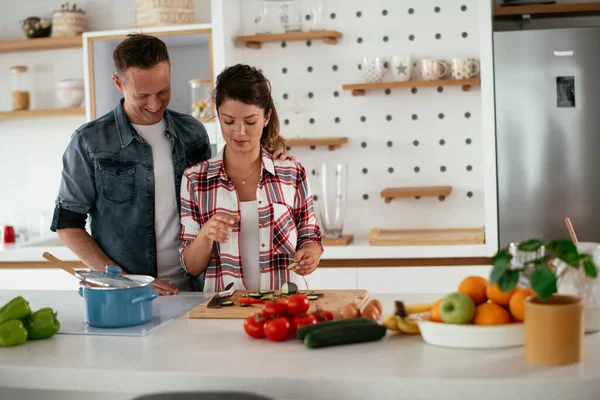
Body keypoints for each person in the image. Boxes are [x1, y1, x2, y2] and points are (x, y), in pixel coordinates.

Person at [50, 35, 291, 295]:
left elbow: (221, 178)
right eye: (142, 95)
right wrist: (126, 281)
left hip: (194, 290)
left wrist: (271, 155)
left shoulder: (192, 133)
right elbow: (67, 224)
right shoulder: (89, 142)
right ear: (118, 84)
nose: (155, 104)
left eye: (163, 91)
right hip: (125, 294)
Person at [179, 64, 323, 292]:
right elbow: (191, 267)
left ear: (266, 117)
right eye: (228, 121)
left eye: (250, 121)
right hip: (224, 310)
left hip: (284, 309)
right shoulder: (195, 179)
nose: (239, 131)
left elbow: (310, 236)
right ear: (218, 116)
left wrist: (310, 255)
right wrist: (206, 234)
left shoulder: (291, 172)